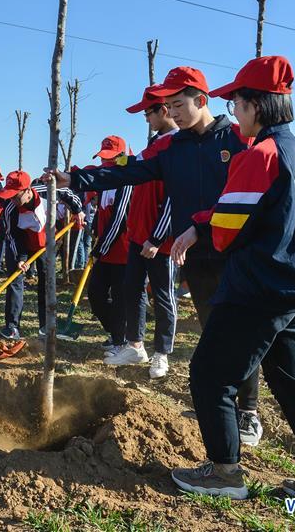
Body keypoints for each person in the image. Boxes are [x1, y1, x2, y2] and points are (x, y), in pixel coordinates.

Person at [48, 66, 264, 446]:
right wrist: (78, 178)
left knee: (242, 332)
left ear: (202, 100)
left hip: (238, 252)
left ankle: (248, 412)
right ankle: (220, 403)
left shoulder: (237, 138)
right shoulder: (170, 146)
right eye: (168, 106)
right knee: (213, 329)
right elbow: (128, 170)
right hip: (195, 255)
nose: (173, 113)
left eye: (179, 105)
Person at [168, 55, 295, 500]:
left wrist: (200, 225)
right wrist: (204, 221)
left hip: (260, 288)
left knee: (211, 375)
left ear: (258, 106)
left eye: (238, 104)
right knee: (292, 380)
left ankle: (226, 472)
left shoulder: (260, 155)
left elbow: (229, 230)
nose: (235, 113)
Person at [115, 88, 178, 377]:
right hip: (138, 235)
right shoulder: (153, 145)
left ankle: (162, 353)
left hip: (159, 241)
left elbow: (174, 198)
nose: (146, 119)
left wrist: (157, 237)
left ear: (163, 111)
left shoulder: (178, 145)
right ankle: (135, 344)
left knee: (162, 295)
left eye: (148, 113)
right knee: (132, 288)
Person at [0, 170, 81, 340]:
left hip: (45, 244)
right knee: (15, 281)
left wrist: (77, 210)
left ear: (28, 190)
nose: (13, 200)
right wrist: (21, 259)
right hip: (21, 244)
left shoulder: (48, 191)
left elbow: (67, 192)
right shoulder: (10, 209)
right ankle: (12, 327)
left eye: (16, 196)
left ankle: (45, 326)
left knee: (46, 284)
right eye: (10, 196)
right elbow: (12, 236)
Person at [83, 136, 132, 362]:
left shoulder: (126, 182)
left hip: (123, 252)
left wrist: (99, 248)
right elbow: (102, 214)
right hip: (105, 250)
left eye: (110, 159)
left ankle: (120, 340)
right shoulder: (106, 183)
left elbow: (118, 220)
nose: (105, 163)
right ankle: (115, 334)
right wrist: (95, 231)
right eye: (103, 158)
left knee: (121, 299)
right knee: (95, 294)